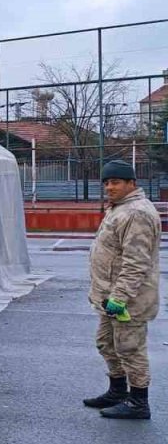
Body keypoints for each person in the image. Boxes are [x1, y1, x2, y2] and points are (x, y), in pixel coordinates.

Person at [83, 159, 159, 420]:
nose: (109, 187)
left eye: (115, 182)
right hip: (109, 298)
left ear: (131, 183)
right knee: (106, 344)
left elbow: (136, 261)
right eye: (106, 182)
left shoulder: (136, 212)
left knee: (130, 348)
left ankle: (139, 402)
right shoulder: (119, 209)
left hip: (128, 300)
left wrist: (119, 298)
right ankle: (117, 391)